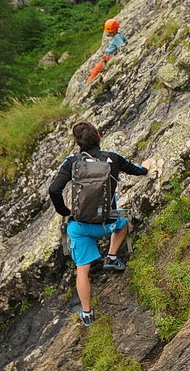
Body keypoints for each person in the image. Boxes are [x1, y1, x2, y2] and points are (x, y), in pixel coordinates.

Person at [49, 122, 155, 327]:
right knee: (123, 222)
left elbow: (54, 189)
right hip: (107, 223)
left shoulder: (72, 162)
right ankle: (112, 257)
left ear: (77, 142)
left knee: (82, 269)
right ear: (98, 136)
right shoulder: (112, 158)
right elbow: (138, 170)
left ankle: (87, 313)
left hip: (80, 226)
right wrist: (146, 166)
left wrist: (64, 211)